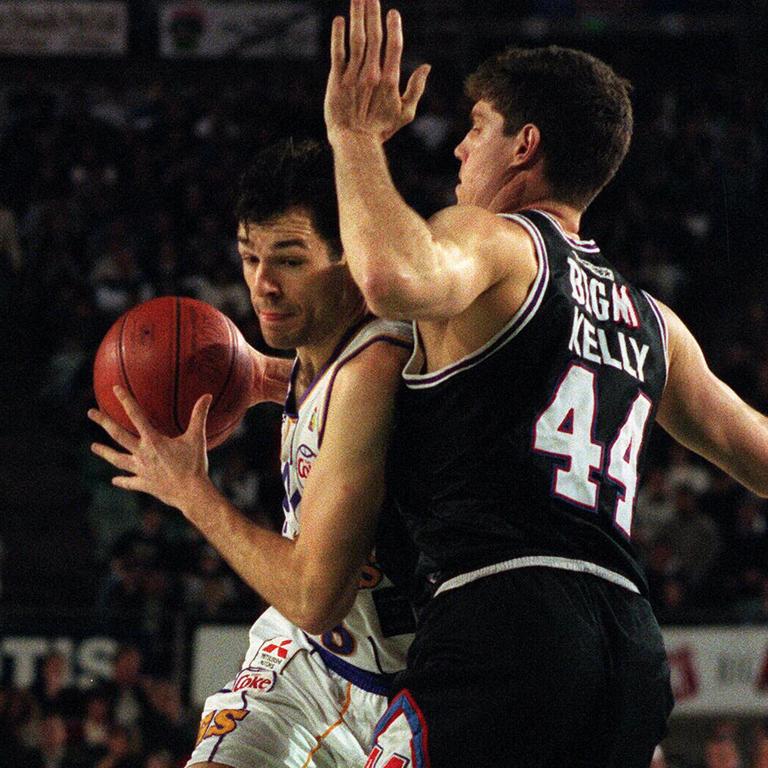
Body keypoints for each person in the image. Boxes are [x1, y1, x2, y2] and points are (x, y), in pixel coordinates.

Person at [324, 1, 768, 765]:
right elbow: (754, 450)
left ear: (524, 145)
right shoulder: (653, 319)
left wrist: (355, 139)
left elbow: (390, 276)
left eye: (478, 125)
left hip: (503, 616)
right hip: (627, 643)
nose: (460, 148)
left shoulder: (492, 239)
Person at [88, 138, 415, 767]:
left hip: (411, 682)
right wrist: (254, 378)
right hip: (312, 662)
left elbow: (315, 595)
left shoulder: (377, 369)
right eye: (249, 258)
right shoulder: (313, 358)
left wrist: (190, 492)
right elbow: (304, 385)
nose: (262, 285)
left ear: (351, 254)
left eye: (289, 261)